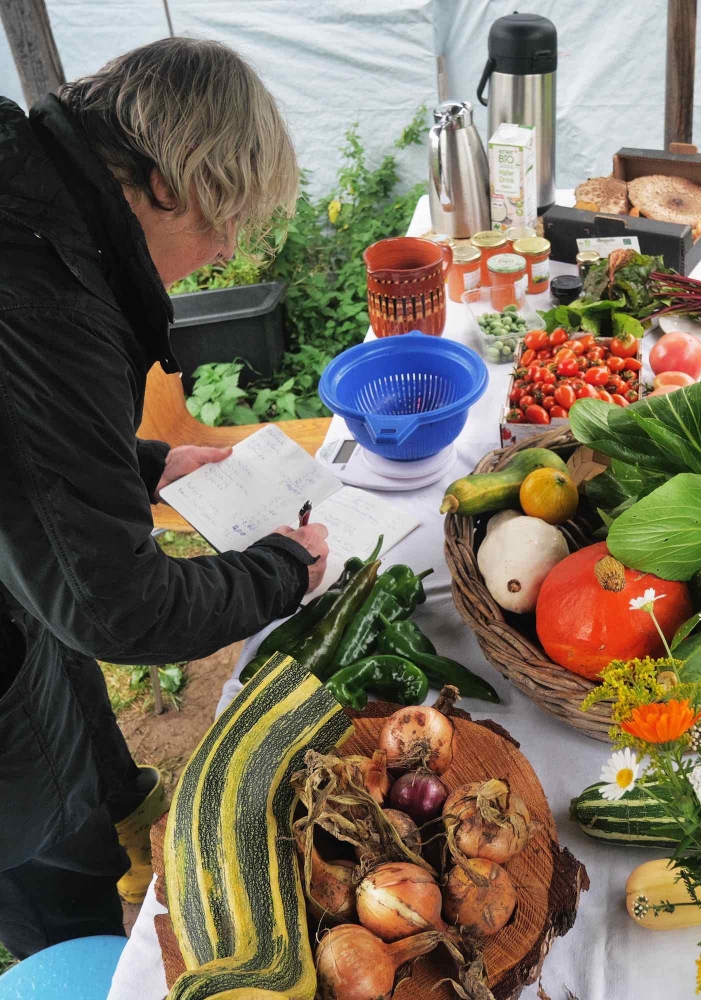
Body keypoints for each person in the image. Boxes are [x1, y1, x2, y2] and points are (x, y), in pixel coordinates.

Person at [0, 37, 330, 957]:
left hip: (17, 589)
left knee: (56, 697)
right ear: (163, 181)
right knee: (32, 836)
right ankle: (76, 949)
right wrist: (277, 574)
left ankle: (108, 804)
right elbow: (117, 605)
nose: (226, 249)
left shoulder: (39, 199)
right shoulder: (40, 290)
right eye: (222, 219)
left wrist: (139, 465)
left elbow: (23, 449)